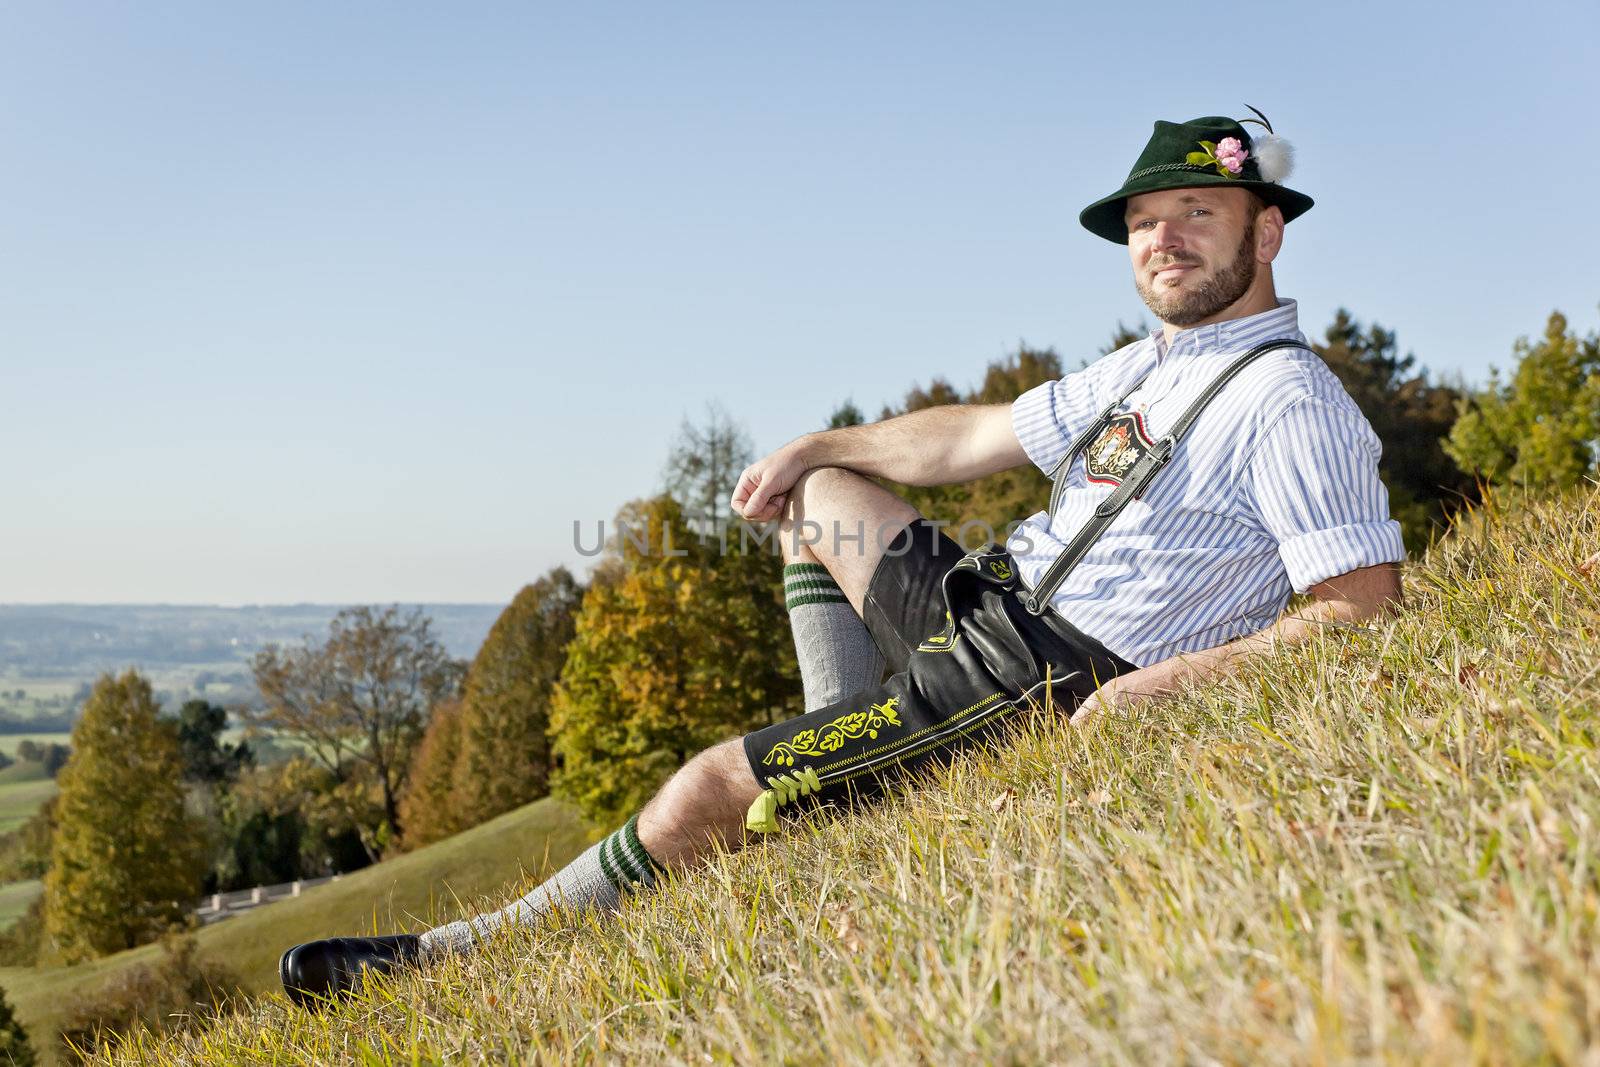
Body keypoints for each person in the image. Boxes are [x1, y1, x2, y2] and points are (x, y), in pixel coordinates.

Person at [279, 110, 1405, 1007]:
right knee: (822, 500)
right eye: (1144, 219)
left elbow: (1361, 608)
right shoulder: (1145, 367)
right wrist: (816, 446)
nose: (1161, 238)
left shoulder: (1285, 397)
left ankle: (445, 956)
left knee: (708, 789)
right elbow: (967, 438)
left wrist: (1152, 692)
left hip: (1043, 673)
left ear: (1265, 231)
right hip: (986, 604)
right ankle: (849, 781)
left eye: (1196, 211)